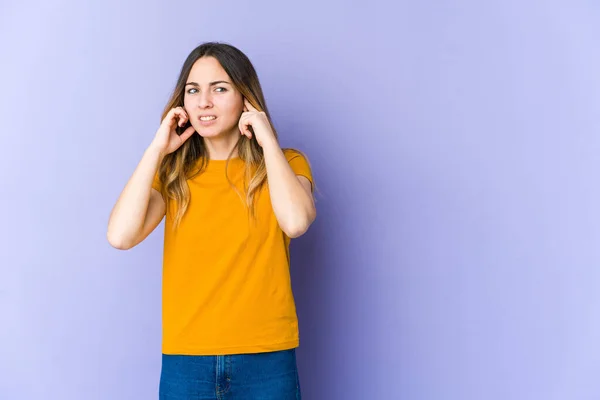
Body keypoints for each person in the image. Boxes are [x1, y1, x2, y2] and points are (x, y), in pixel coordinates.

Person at [107, 42, 316, 399]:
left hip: (266, 356)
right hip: (187, 360)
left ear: (246, 98)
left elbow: (296, 222)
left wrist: (266, 141)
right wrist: (157, 149)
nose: (204, 102)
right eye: (193, 90)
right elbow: (120, 236)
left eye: (219, 88)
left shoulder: (286, 163)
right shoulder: (173, 175)